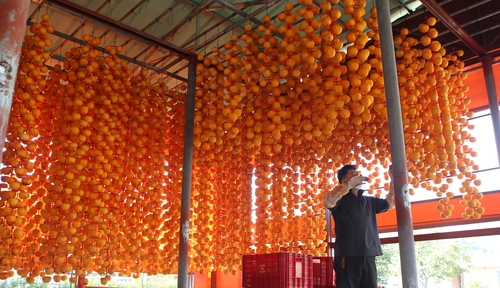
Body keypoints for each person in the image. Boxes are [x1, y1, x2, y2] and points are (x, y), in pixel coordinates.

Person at [323, 164, 395, 288]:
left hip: (369, 254)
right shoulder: (340, 200)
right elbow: (328, 201)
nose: (357, 176)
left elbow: (390, 203)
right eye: (352, 174)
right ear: (343, 180)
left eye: (357, 174)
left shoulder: (369, 201)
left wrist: (394, 180)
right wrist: (347, 186)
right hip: (348, 254)